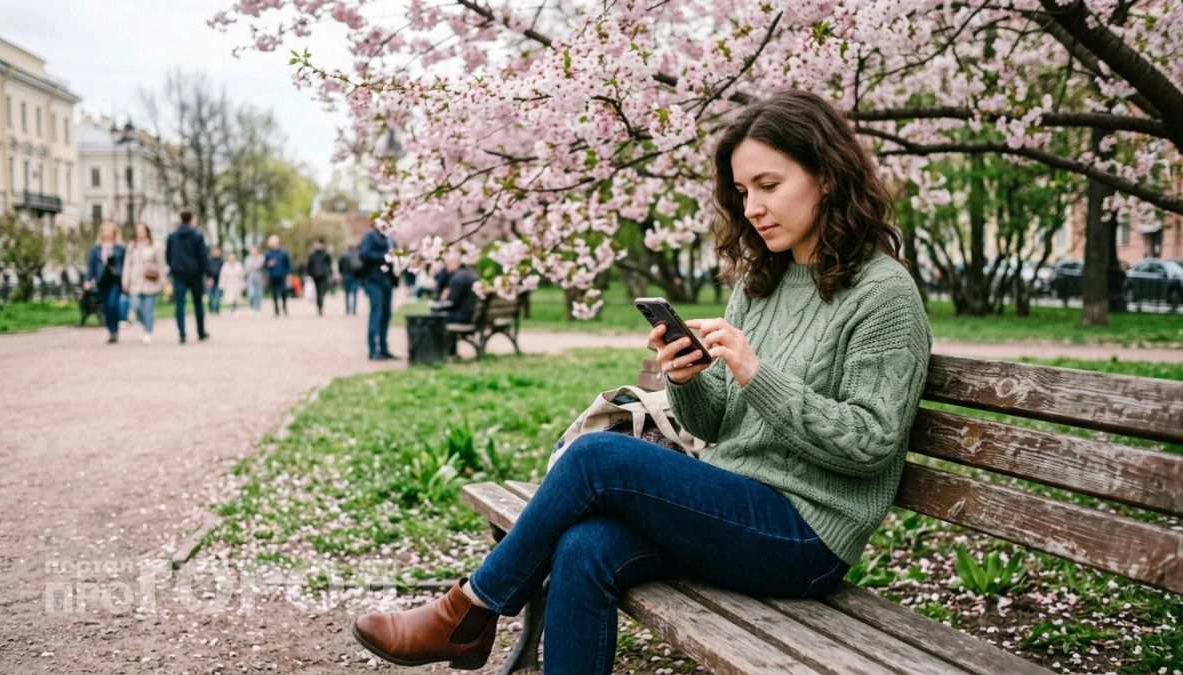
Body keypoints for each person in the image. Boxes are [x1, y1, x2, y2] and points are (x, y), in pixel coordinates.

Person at [351, 90, 933, 673]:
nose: (752, 206)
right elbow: (716, 427)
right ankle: (468, 620)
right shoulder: (763, 280)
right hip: (735, 506)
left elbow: (870, 444)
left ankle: (468, 611)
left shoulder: (882, 293)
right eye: (742, 191)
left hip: (807, 536)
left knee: (598, 458)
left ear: (827, 176)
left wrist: (757, 374)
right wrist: (687, 379)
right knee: (584, 548)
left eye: (769, 185)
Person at [166, 209, 209, 343]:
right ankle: (200, 332)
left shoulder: (172, 236)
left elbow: (168, 256)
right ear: (191, 219)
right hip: (195, 273)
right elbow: (203, 256)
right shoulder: (197, 235)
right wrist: (205, 272)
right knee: (198, 303)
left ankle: (182, 332)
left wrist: (174, 267)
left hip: (178, 273)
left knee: (180, 303)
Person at [121, 223, 166, 345]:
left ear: (147, 232)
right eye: (138, 231)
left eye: (142, 231)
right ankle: (145, 324)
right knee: (135, 306)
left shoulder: (155, 246)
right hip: (135, 282)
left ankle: (148, 332)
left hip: (150, 281)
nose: (140, 233)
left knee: (149, 309)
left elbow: (161, 265)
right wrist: (125, 280)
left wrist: (163, 282)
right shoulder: (131, 246)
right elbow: (127, 265)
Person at [83, 221, 126, 344]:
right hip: (102, 280)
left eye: (109, 232)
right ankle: (111, 331)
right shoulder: (96, 248)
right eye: (104, 232)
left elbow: (125, 265)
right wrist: (87, 280)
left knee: (113, 304)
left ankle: (115, 329)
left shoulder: (120, 247)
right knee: (106, 306)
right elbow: (91, 266)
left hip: (116, 280)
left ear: (114, 234)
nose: (107, 235)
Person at [359, 222, 396, 360]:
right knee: (376, 313)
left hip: (388, 281)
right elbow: (366, 254)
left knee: (386, 314)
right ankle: (373, 350)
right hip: (374, 280)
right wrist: (386, 255)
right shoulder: (371, 237)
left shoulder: (390, 239)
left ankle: (384, 348)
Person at [439, 254, 479, 358]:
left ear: (453, 263)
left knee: (438, 317)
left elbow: (451, 301)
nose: (446, 267)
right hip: (473, 315)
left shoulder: (458, 277)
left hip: (465, 317)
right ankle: (450, 350)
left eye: (447, 264)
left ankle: (448, 351)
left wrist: (444, 297)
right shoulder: (472, 273)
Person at [264, 234, 292, 317]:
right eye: (271, 243)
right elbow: (265, 265)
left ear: (277, 243)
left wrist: (289, 273)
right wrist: (268, 264)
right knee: (274, 294)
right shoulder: (268, 253)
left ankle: (284, 307)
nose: (272, 244)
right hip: (273, 276)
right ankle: (276, 310)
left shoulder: (283, 252)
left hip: (282, 275)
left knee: (284, 292)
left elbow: (288, 264)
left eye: (274, 242)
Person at [305, 238, 334, 316]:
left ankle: (320, 304)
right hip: (315, 276)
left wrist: (330, 273)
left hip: (323, 275)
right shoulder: (312, 255)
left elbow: (329, 264)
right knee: (318, 292)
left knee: (322, 291)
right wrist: (308, 275)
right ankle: (319, 307)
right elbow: (309, 266)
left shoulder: (325, 254)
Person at [219, 252, 246, 317]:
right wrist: (222, 285)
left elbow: (241, 276)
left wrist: (242, 285)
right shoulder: (225, 265)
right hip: (229, 284)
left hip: (236, 284)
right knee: (230, 299)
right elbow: (222, 276)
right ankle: (232, 311)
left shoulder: (238, 265)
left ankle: (235, 310)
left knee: (236, 299)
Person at [337, 244, 360, 315]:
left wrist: (341, 274)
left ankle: (347, 309)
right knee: (355, 293)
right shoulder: (357, 255)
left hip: (346, 275)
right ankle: (354, 309)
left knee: (347, 293)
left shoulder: (343, 256)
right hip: (355, 276)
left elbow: (340, 266)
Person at [244, 245, 266, 318]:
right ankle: (252, 307)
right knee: (251, 294)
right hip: (250, 279)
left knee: (259, 294)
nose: (253, 252)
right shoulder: (248, 259)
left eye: (255, 250)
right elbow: (247, 269)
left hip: (259, 279)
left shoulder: (261, 258)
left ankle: (258, 309)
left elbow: (263, 266)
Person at [205, 245, 225, 316]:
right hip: (210, 281)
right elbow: (206, 270)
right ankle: (211, 309)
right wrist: (209, 278)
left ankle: (217, 310)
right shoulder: (209, 260)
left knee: (217, 297)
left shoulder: (222, 261)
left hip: (219, 281)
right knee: (210, 296)